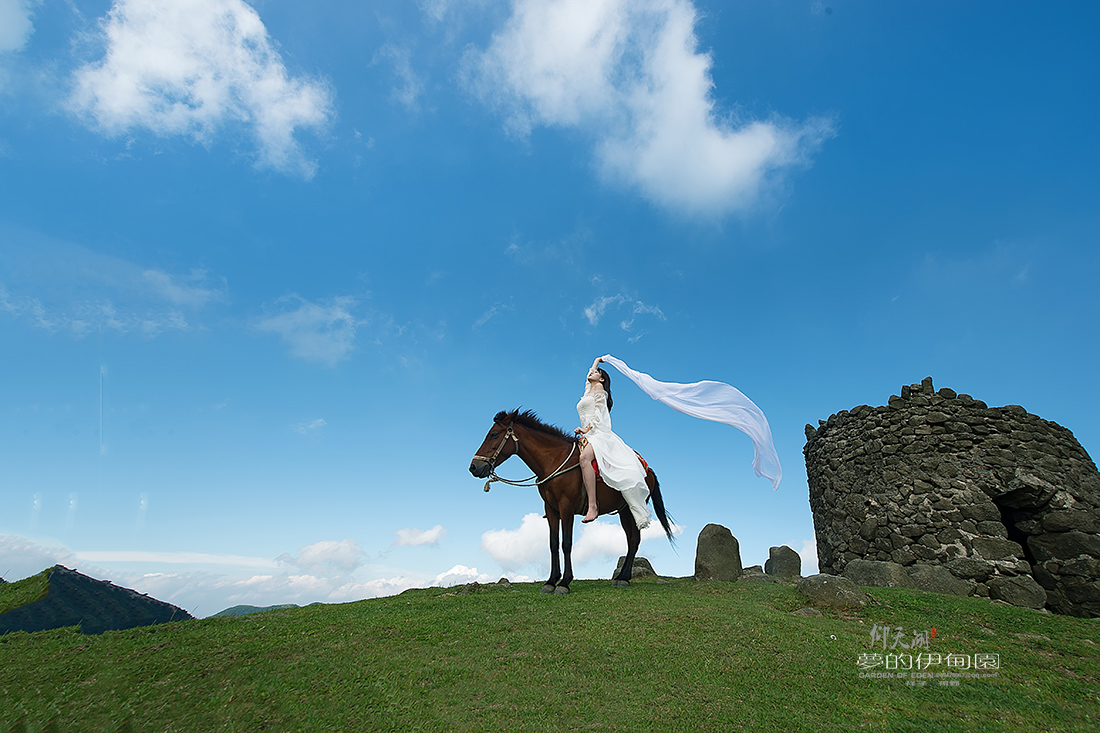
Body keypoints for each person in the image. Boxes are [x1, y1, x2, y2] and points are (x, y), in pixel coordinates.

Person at [575, 356, 652, 530]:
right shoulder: (588, 390)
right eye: (592, 372)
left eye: (596, 372)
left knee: (584, 459)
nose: (592, 373)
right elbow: (590, 372)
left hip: (598, 433)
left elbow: (599, 412)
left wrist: (586, 429)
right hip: (586, 434)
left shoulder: (599, 388)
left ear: (601, 379)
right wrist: (597, 360)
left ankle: (593, 506)